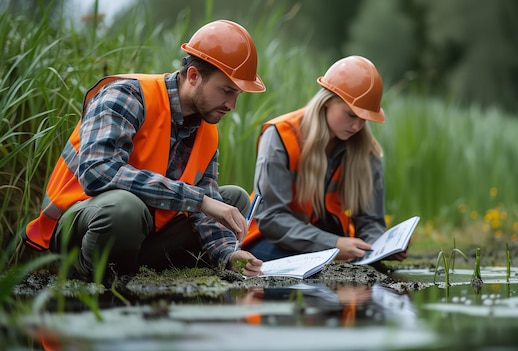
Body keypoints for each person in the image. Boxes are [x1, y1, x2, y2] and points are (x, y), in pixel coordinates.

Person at [21, 20, 264, 280]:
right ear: (193, 76)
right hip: (83, 225)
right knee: (126, 209)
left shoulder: (207, 129)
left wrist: (228, 254)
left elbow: (205, 210)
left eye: (237, 94)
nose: (232, 105)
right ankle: (84, 276)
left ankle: (144, 277)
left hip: (145, 236)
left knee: (232, 201)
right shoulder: (127, 95)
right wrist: (200, 200)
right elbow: (98, 172)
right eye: (226, 91)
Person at [242, 55, 407, 263]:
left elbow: (369, 222)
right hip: (267, 240)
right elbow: (271, 219)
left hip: (332, 243)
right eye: (350, 114)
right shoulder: (280, 136)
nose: (357, 126)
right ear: (327, 102)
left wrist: (382, 245)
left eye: (364, 119)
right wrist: (334, 244)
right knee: (313, 270)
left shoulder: (366, 150)